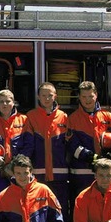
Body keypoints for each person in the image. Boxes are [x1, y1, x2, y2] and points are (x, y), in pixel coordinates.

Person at [66, 81, 111, 222]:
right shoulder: (72, 119)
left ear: (96, 95)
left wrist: (110, 154)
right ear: (79, 98)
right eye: (84, 97)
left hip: (104, 175)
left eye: (91, 96)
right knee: (82, 208)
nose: (88, 100)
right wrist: (93, 158)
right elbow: (72, 146)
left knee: (105, 207)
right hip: (81, 174)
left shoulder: (108, 117)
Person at [21, 82, 69, 214]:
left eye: (50, 95)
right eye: (43, 95)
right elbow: (28, 145)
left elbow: (68, 146)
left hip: (60, 174)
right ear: (38, 97)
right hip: (38, 173)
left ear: (55, 96)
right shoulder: (30, 117)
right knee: (39, 209)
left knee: (60, 207)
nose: (47, 99)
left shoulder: (64, 117)